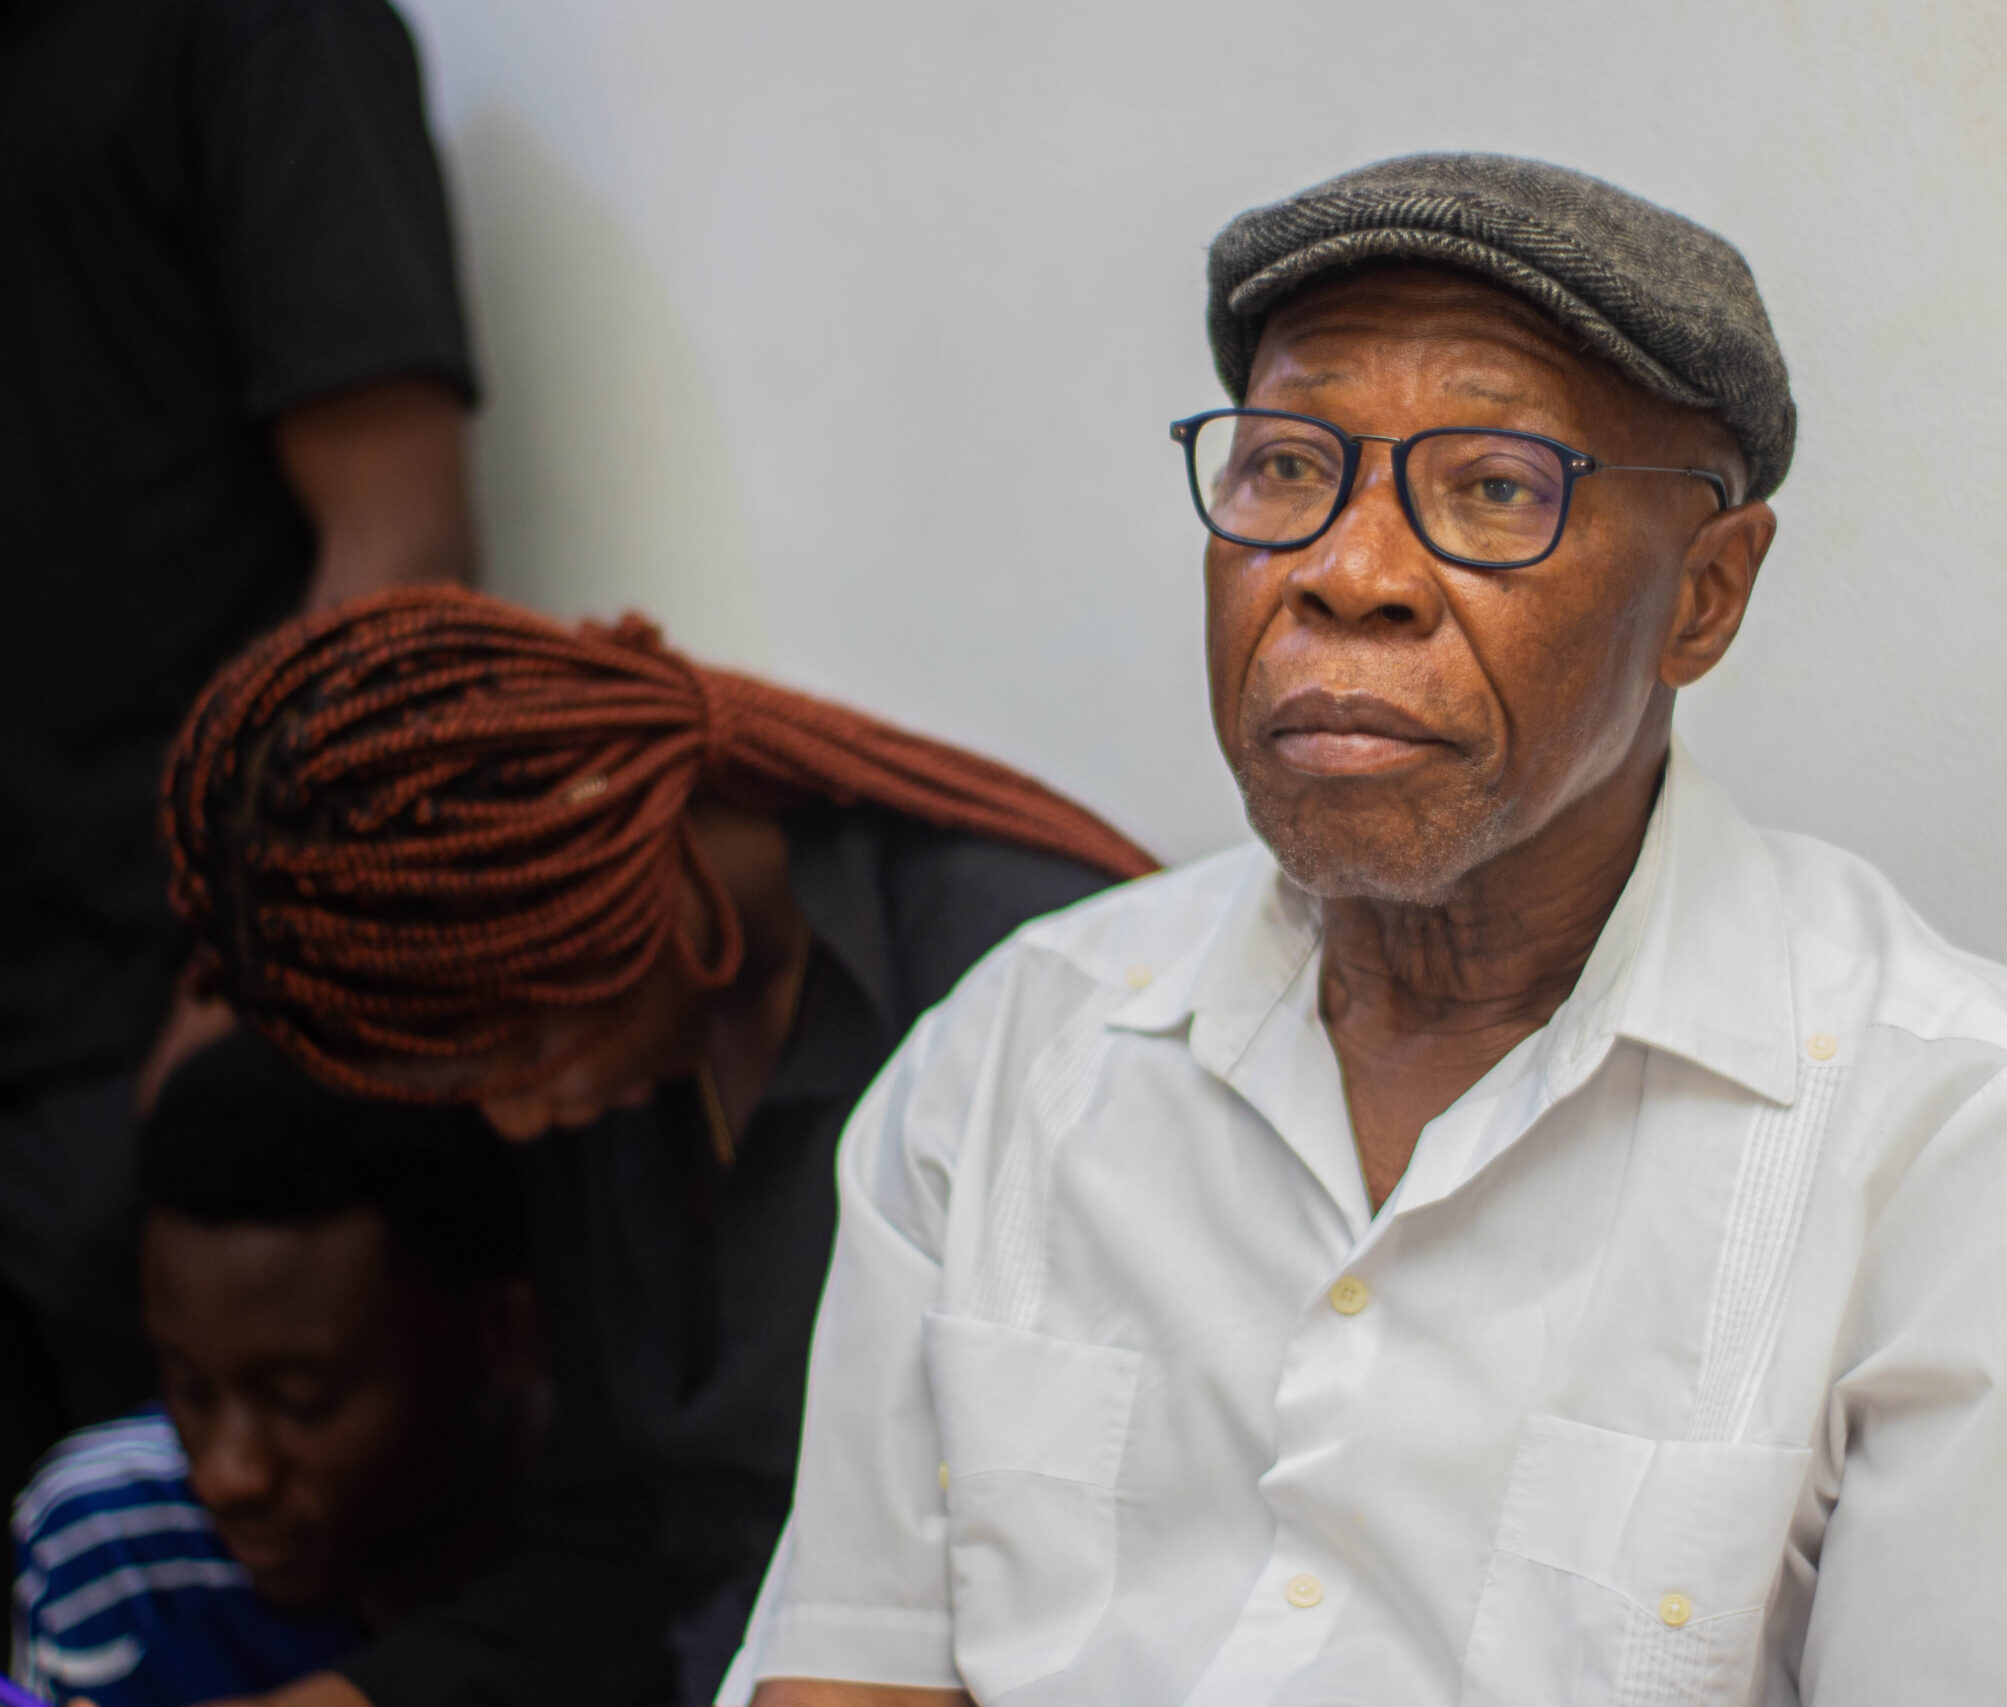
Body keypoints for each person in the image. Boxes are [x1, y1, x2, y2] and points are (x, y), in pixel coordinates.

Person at [717, 153, 2007, 1707]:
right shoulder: (1014, 1058)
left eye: (1497, 487)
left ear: (1706, 595)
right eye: (1286, 467)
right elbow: (850, 1669)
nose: (1348, 572)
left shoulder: (1964, 1142)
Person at [158, 588, 1155, 1706]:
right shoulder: (621, 1073)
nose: (517, 1117)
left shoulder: (1022, 982)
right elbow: (621, 1552)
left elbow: (1145, 1569)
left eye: (522, 1052)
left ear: (585, 859)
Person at [0, 0, 479, 1510]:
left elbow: (399, 545)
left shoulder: (261, 33)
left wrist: (235, 989)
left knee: (187, 1582)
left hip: (154, 1043)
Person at [9, 1031, 664, 1707]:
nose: (228, 1476)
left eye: (302, 1399)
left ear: (503, 1335)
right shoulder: (113, 1547)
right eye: (190, 1391)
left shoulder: (657, 1536)